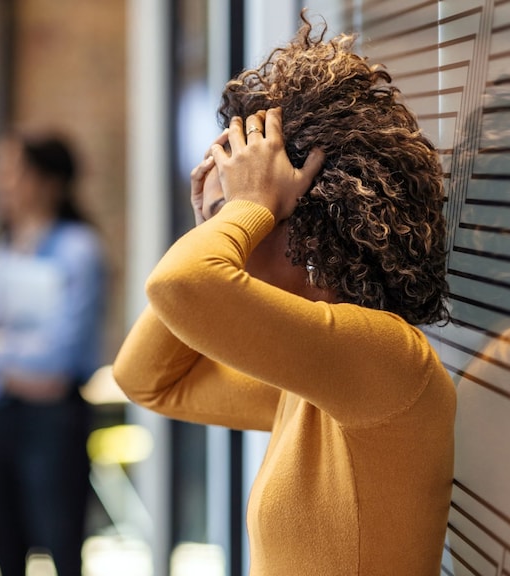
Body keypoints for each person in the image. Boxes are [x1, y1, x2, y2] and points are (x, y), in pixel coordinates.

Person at [112, 16, 456, 576]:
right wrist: (225, 220)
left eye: (246, 216)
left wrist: (244, 211)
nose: (229, 238)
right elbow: (148, 379)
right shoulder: (318, 376)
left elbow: (181, 284)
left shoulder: (386, 358)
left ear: (307, 221)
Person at [0, 132, 107, 576]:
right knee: (3, 546)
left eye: (12, 170)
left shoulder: (78, 252)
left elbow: (62, 357)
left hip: (54, 423)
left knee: (61, 545)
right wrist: (14, 370)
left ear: (47, 182)